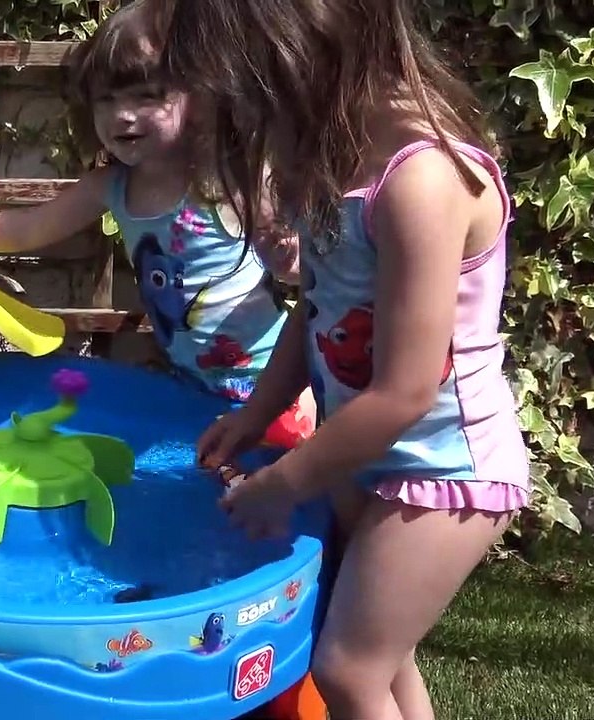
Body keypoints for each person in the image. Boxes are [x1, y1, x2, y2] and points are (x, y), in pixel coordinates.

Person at [153, 0, 532, 718]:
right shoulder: (333, 154)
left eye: (251, 86)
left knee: (349, 669)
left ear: (304, 48)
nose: (247, 113)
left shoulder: (423, 179)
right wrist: (258, 413)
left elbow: (406, 393)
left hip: (446, 470)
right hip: (372, 455)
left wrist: (284, 483)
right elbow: (319, 310)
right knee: (384, 663)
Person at [0, 0, 314, 424]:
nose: (122, 116)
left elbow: (300, 264)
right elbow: (26, 227)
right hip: (191, 385)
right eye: (107, 100)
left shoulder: (225, 179)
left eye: (146, 96)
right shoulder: (110, 187)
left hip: (276, 384)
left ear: (198, 99)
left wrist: (290, 262)